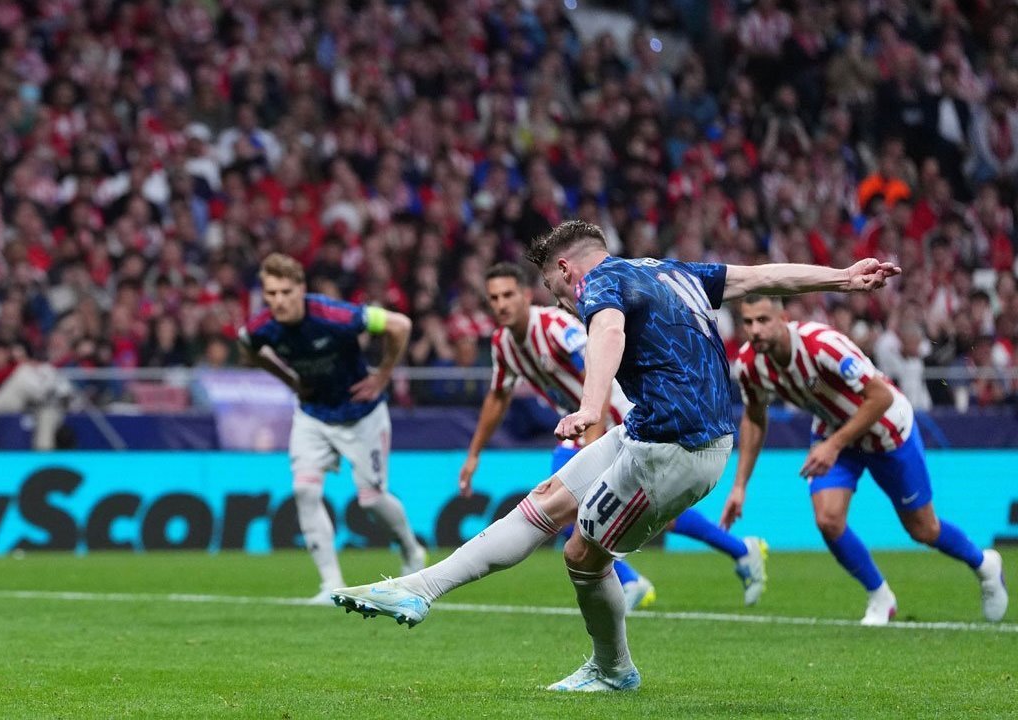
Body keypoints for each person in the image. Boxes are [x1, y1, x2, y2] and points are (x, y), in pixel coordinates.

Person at [331, 220, 900, 693]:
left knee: (582, 554)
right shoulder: (670, 270)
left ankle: (613, 670)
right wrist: (843, 278)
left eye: (554, 288)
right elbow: (762, 276)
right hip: (654, 429)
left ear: (566, 269)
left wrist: (588, 405)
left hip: (677, 447)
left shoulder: (598, 284)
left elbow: (607, 333)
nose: (561, 301)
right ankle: (418, 589)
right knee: (546, 501)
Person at [460, 262, 769, 609]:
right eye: (494, 298)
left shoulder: (554, 326)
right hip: (581, 422)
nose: (501, 304)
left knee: (562, 502)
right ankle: (739, 550)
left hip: (615, 414)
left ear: (526, 295)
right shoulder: (503, 343)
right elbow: (498, 397)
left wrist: (592, 438)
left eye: (508, 295)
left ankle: (630, 580)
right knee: (649, 510)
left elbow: (598, 368)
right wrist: (474, 454)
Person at [721, 295, 1008, 625]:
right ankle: (880, 596)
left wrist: (833, 445)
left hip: (886, 431)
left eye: (763, 320)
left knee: (923, 529)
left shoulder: (822, 345)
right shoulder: (749, 365)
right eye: (748, 322)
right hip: (834, 431)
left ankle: (984, 564)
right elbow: (754, 417)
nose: (755, 330)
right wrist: (739, 486)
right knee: (828, 520)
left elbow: (881, 396)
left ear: (783, 318)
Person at [238, 253, 426, 604]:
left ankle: (411, 549)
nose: (278, 301)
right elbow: (247, 349)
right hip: (314, 414)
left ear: (301, 289)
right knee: (304, 490)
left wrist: (383, 376)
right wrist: (290, 381)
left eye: (285, 292)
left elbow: (400, 325)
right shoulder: (261, 327)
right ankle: (331, 586)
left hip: (361, 414)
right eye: (271, 293)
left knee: (371, 500)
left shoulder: (335, 315)